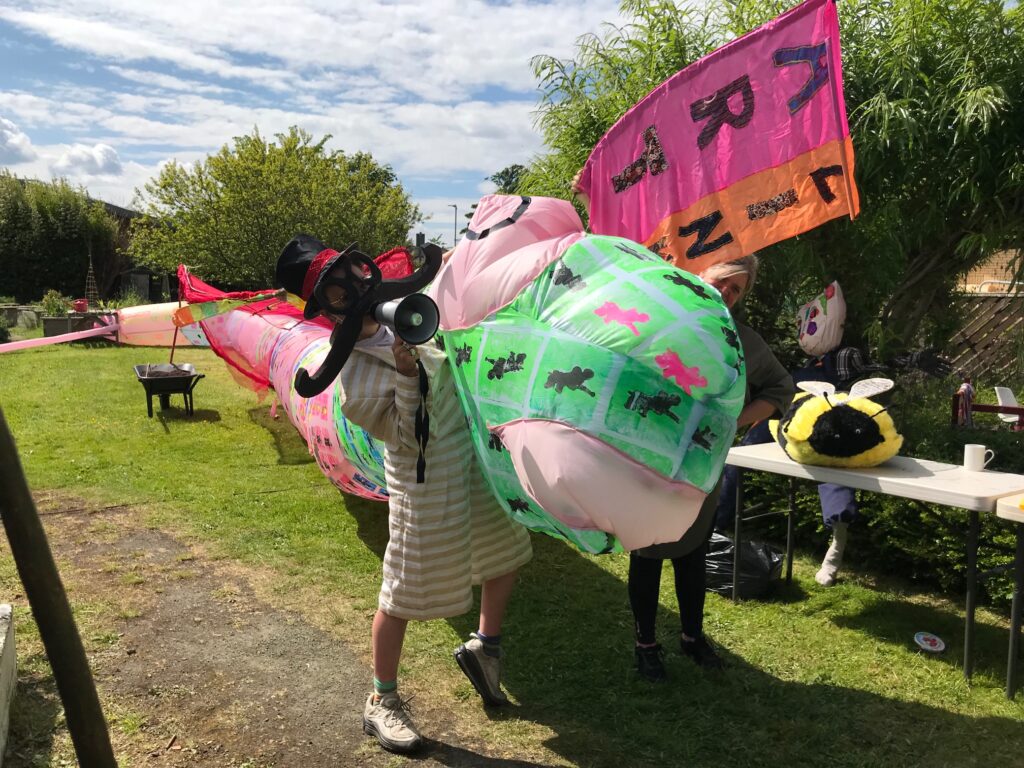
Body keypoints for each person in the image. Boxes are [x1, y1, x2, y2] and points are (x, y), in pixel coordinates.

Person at [276, 237, 533, 754]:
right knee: (403, 588)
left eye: (350, 272)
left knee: (505, 550)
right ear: (329, 307)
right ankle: (382, 700)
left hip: (470, 458)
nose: (354, 290)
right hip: (422, 480)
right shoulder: (349, 368)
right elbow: (404, 434)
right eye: (337, 290)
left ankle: (486, 647)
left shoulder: (414, 317)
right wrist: (408, 375)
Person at [628, 255, 794, 680]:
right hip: (651, 458)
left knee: (693, 553)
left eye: (737, 289)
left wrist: (730, 421)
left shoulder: (743, 341)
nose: (727, 293)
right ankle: (646, 644)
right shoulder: (658, 320)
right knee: (647, 552)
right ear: (698, 276)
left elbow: (781, 387)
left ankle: (691, 637)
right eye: (722, 281)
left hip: (702, 464)